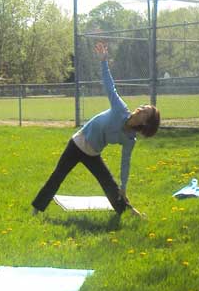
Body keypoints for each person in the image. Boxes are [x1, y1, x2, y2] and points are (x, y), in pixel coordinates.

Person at [32, 41, 160, 217]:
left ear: (145, 123)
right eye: (144, 106)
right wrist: (103, 61)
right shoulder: (120, 109)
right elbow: (110, 87)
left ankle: (129, 212)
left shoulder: (129, 139)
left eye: (146, 111)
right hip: (77, 143)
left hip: (93, 153)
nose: (142, 107)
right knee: (58, 175)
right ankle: (36, 210)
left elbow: (125, 163)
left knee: (109, 184)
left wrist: (124, 187)